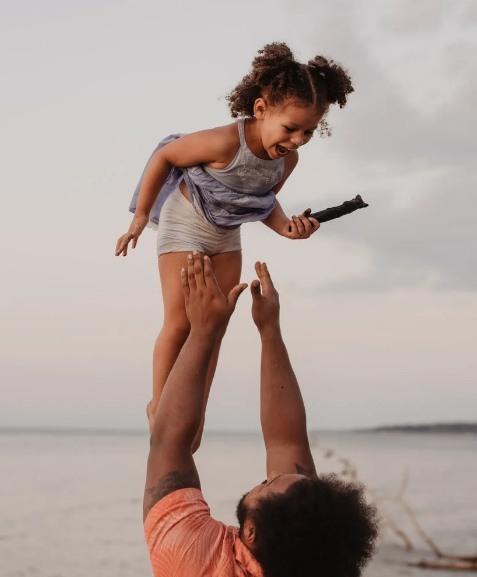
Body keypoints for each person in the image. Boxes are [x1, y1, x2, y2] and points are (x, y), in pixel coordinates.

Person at [115, 42, 355, 440]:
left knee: (214, 325)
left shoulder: (286, 161)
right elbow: (166, 156)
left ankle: (194, 412)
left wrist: (288, 229)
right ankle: (159, 405)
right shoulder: (226, 141)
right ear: (261, 110)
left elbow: (264, 203)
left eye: (309, 131)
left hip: (227, 234)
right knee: (180, 322)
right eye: (290, 128)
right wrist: (141, 216)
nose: (297, 139)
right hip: (187, 222)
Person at [136, 253, 379, 577]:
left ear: (251, 533)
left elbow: (168, 440)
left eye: (268, 485)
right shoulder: (312, 576)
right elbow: (287, 439)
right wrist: (270, 330)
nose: (270, 477)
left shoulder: (195, 570)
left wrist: (205, 330)